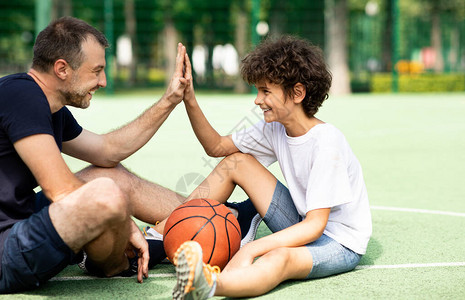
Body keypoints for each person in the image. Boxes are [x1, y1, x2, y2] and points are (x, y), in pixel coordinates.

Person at [171, 36, 373, 299]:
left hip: (339, 242)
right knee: (236, 162)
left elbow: (315, 228)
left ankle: (208, 286)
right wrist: (190, 99)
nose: (257, 100)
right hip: (303, 221)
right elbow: (217, 147)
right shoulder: (275, 127)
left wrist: (251, 250)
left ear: (298, 93)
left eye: (265, 91)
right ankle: (166, 231)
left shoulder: (326, 142)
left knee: (280, 259)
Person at [0, 16, 189, 293]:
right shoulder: (22, 96)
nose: (103, 81)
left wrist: (169, 99)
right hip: (6, 249)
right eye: (97, 70)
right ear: (62, 69)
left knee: (109, 176)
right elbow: (61, 190)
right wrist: (123, 221)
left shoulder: (49, 107)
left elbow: (107, 151)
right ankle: (117, 263)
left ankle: (215, 218)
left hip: (24, 220)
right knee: (106, 195)